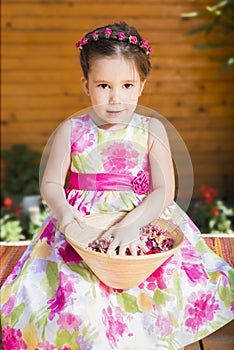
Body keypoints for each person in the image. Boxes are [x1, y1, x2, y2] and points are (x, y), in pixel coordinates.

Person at [1, 22, 233, 350]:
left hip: (143, 215)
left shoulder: (152, 128)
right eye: (103, 85)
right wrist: (66, 216)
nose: (115, 97)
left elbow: (163, 191)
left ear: (142, 86)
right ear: (86, 85)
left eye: (126, 85)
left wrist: (132, 224)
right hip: (83, 223)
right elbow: (51, 182)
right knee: (72, 290)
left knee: (164, 278)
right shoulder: (71, 129)